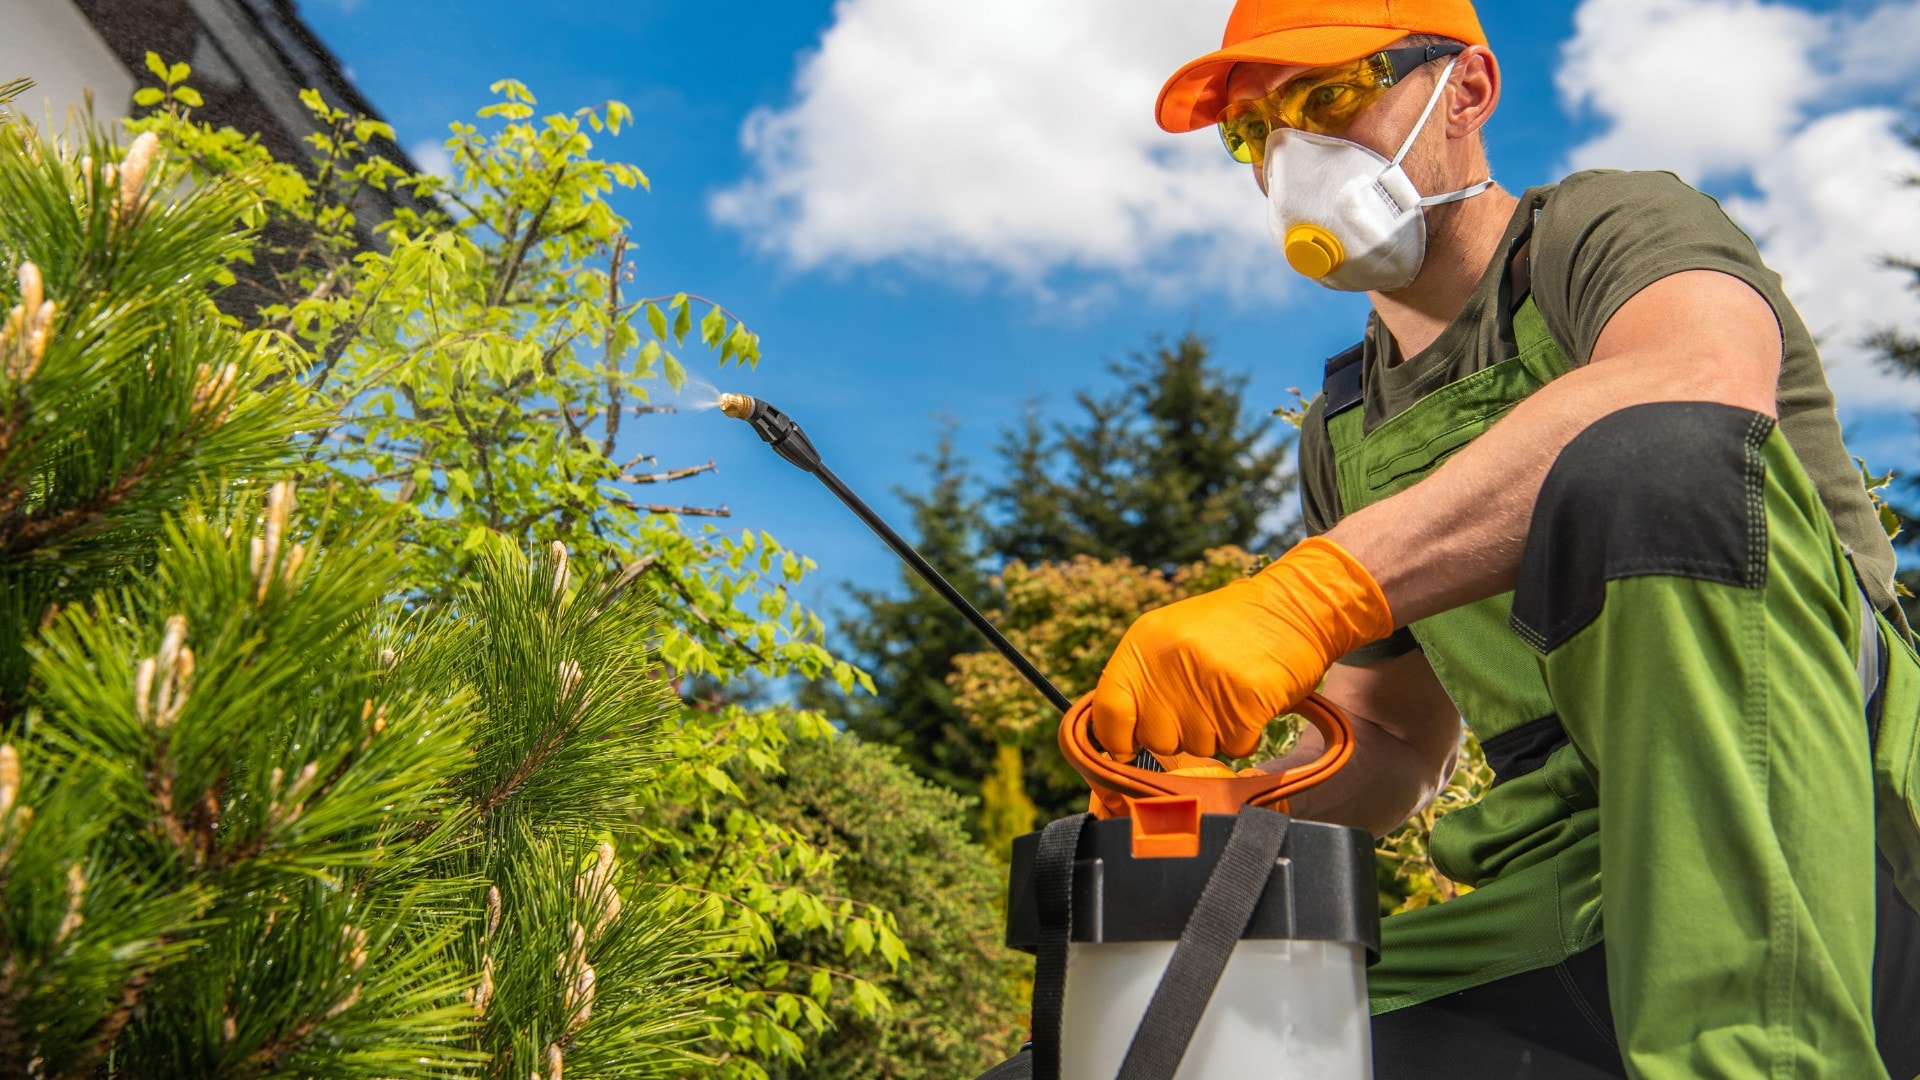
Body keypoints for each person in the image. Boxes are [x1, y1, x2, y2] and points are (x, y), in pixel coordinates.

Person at [1082, 0, 1920, 1075]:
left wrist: (1310, 595)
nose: (1290, 156)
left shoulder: (1610, 229)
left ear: (1466, 92)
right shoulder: (1345, 430)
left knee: (1654, 454)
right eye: (1255, 133)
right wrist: (1215, 801)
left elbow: (1699, 381)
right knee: (1158, 1054)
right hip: (1560, 893)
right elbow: (1389, 749)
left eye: (1326, 98)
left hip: (1831, 819)